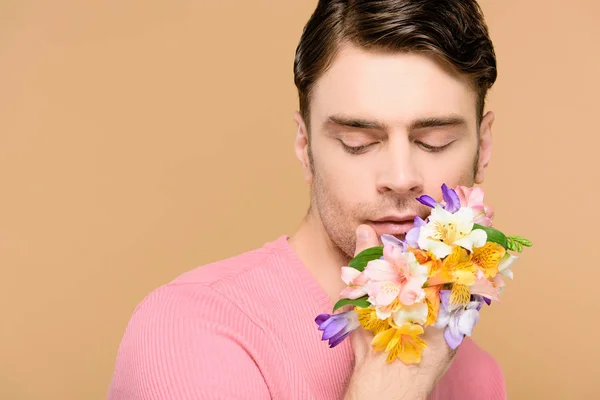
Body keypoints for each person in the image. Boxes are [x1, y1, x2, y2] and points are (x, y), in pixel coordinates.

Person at [107, 0, 507, 399]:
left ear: (483, 148)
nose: (400, 178)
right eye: (358, 143)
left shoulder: (477, 375)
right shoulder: (188, 331)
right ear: (304, 145)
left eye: (434, 142)